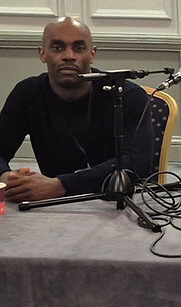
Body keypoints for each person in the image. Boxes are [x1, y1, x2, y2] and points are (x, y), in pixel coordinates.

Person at [0, 17, 153, 203]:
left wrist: (61, 185)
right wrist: (7, 177)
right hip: (51, 206)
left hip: (114, 201)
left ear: (92, 54)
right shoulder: (28, 93)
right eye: (58, 47)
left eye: (79, 48)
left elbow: (139, 163)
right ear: (42, 54)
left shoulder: (126, 95)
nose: (69, 56)